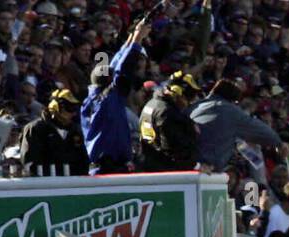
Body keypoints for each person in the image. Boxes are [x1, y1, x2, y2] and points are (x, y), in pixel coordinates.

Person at [81, 20, 150, 174]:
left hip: (101, 168)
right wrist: (138, 37)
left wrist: (132, 38)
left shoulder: (91, 99)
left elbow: (115, 63)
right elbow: (123, 66)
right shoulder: (108, 99)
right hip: (109, 169)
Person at [189, 79, 286, 172]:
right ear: (234, 101)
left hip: (186, 163)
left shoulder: (194, 106)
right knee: (251, 149)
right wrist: (279, 143)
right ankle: (261, 184)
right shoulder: (230, 111)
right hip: (208, 168)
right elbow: (265, 134)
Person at [138, 72, 200, 172]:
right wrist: (196, 166)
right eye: (189, 98)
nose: (189, 103)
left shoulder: (152, 103)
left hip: (148, 165)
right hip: (164, 174)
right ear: (178, 93)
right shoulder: (167, 113)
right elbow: (173, 150)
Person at [20, 88, 89, 177]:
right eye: (70, 108)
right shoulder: (35, 129)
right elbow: (29, 163)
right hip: (46, 185)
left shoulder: (75, 130)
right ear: (56, 107)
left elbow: (83, 160)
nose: (73, 113)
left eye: (75, 108)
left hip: (73, 184)